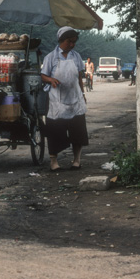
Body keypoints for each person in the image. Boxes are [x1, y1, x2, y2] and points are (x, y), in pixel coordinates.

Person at [41, 26, 88, 172]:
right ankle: (54, 162)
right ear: (61, 40)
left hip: (75, 98)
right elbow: (43, 75)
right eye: (69, 41)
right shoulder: (51, 57)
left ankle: (76, 161)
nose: (72, 45)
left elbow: (79, 76)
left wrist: (83, 93)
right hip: (57, 100)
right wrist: (51, 80)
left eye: (74, 42)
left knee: (77, 131)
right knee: (55, 130)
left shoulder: (76, 56)